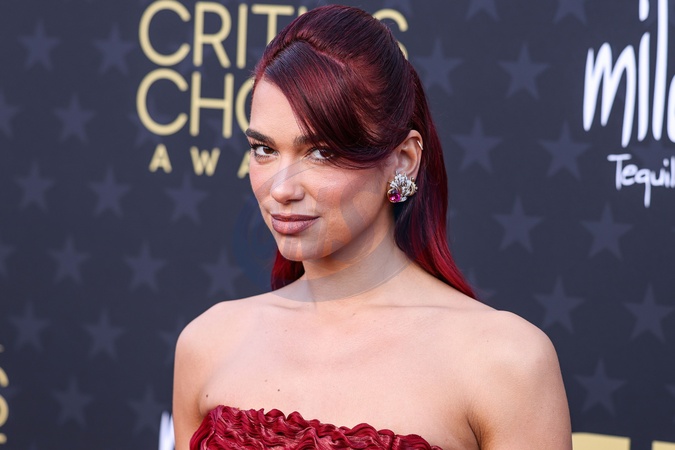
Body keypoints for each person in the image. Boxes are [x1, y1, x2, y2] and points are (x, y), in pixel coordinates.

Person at [173, 5, 572, 449]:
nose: (281, 189)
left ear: (403, 161)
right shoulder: (208, 343)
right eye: (264, 149)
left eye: (321, 152)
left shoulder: (505, 361)